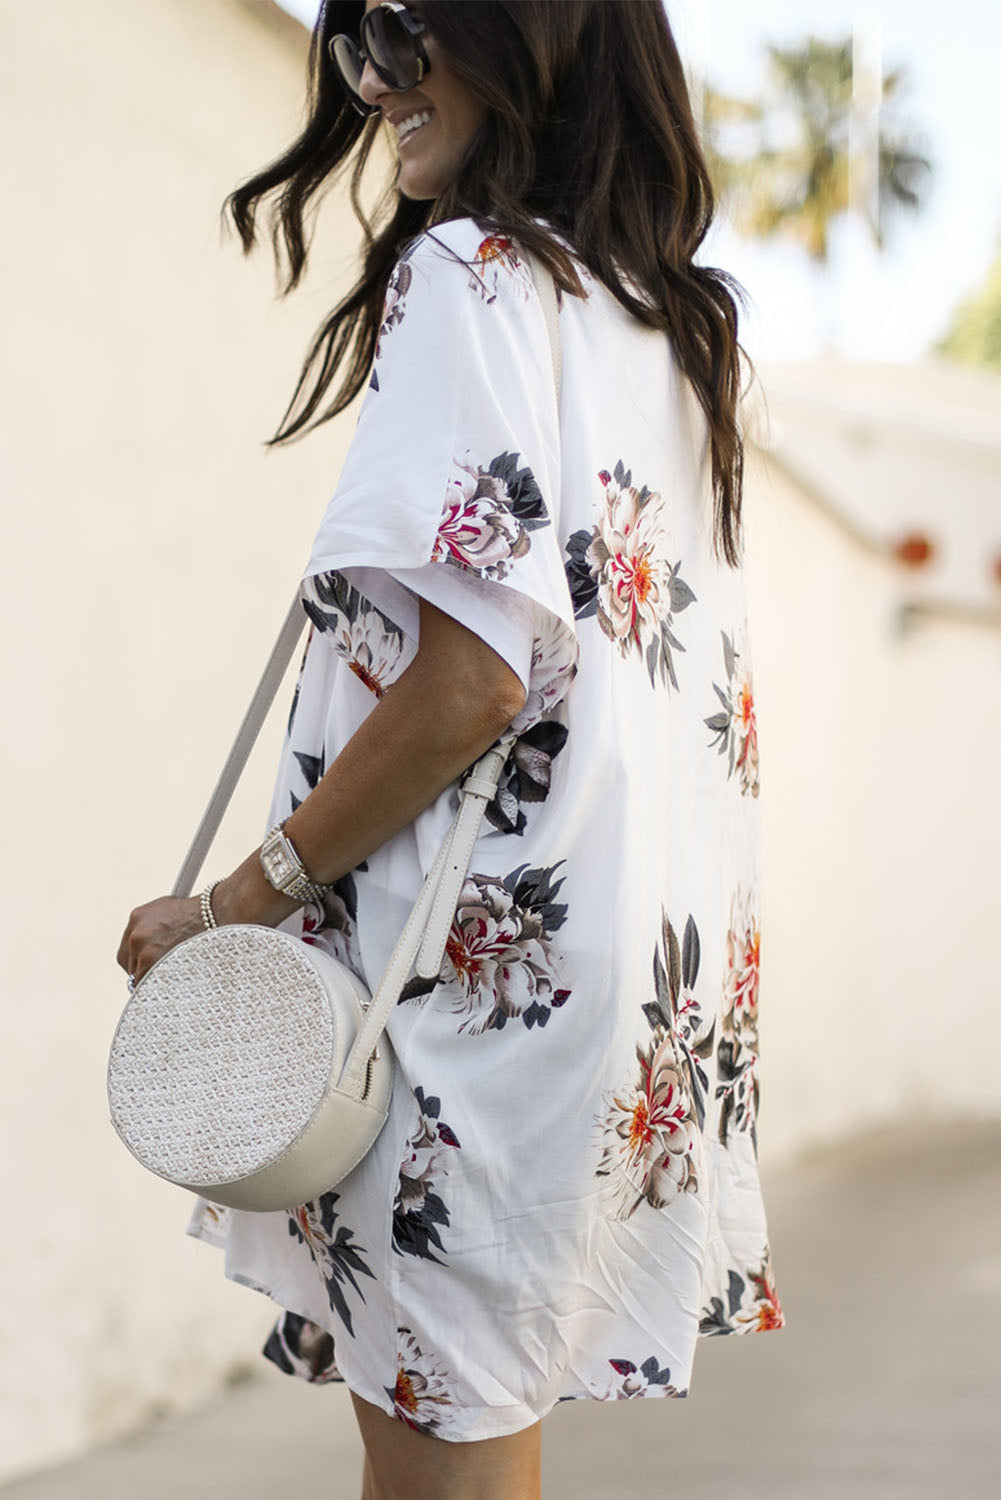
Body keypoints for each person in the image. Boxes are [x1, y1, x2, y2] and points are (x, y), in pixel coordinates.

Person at [117, 2, 785, 1496]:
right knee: (480, 1452)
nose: (375, 80)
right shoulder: (674, 327)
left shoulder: (474, 278)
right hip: (616, 995)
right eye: (359, 40)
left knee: (437, 1471)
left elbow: (471, 686)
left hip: (457, 997)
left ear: (531, 36)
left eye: (409, 32)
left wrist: (236, 904)